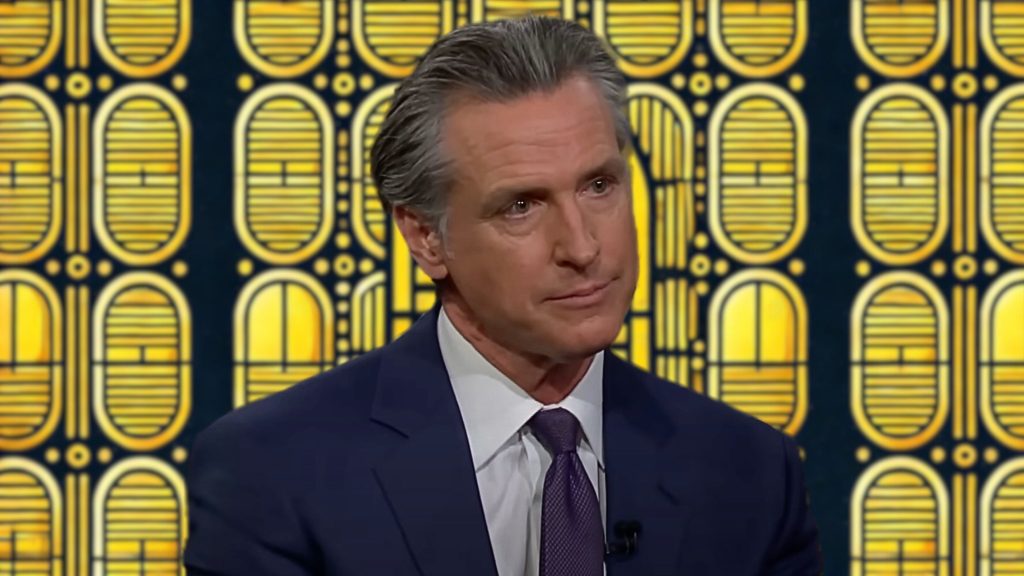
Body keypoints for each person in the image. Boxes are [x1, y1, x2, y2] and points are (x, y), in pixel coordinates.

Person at [184, 16, 822, 576]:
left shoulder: (749, 472)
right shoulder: (274, 474)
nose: (582, 246)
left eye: (599, 185)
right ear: (427, 237)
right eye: (521, 205)